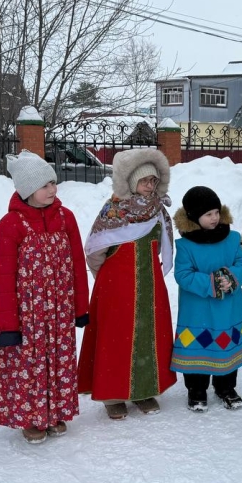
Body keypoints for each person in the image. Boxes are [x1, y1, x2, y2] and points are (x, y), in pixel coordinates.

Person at [0, 150, 90, 443]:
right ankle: (31, 417)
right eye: (44, 185)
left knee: (58, 359)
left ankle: (56, 411)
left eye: (53, 183)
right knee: (31, 363)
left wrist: (80, 308)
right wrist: (8, 326)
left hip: (60, 310)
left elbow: (77, 264)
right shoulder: (10, 224)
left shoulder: (66, 218)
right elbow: (3, 279)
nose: (52, 190)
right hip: (29, 315)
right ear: (26, 189)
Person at [78, 148, 177, 420]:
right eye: (144, 180)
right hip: (116, 286)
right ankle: (112, 395)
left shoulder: (158, 210)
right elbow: (95, 249)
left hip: (149, 284)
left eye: (153, 181)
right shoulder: (114, 210)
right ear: (132, 181)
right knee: (114, 337)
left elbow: (164, 245)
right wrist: (105, 279)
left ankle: (144, 390)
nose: (150, 185)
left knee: (147, 335)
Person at [171, 186, 242, 412]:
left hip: (228, 307)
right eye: (208, 214)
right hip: (198, 309)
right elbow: (183, 275)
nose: (214, 218)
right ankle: (196, 390)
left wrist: (232, 278)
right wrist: (212, 283)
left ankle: (226, 387)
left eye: (217, 212)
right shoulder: (185, 245)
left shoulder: (232, 239)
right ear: (194, 217)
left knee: (226, 345)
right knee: (198, 349)